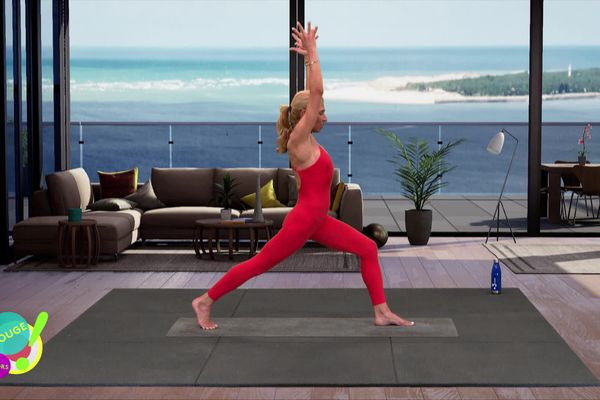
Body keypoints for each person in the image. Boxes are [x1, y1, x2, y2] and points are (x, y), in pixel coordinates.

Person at [192, 21, 415, 330]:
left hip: (318, 221)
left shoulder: (309, 140)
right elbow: (318, 91)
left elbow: (315, 95)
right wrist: (312, 53)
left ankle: (381, 311)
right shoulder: (299, 139)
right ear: (304, 116)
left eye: (323, 111)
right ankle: (205, 301)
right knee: (258, 265)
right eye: (320, 112)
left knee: (366, 248)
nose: (325, 115)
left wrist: (310, 58)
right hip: (302, 222)